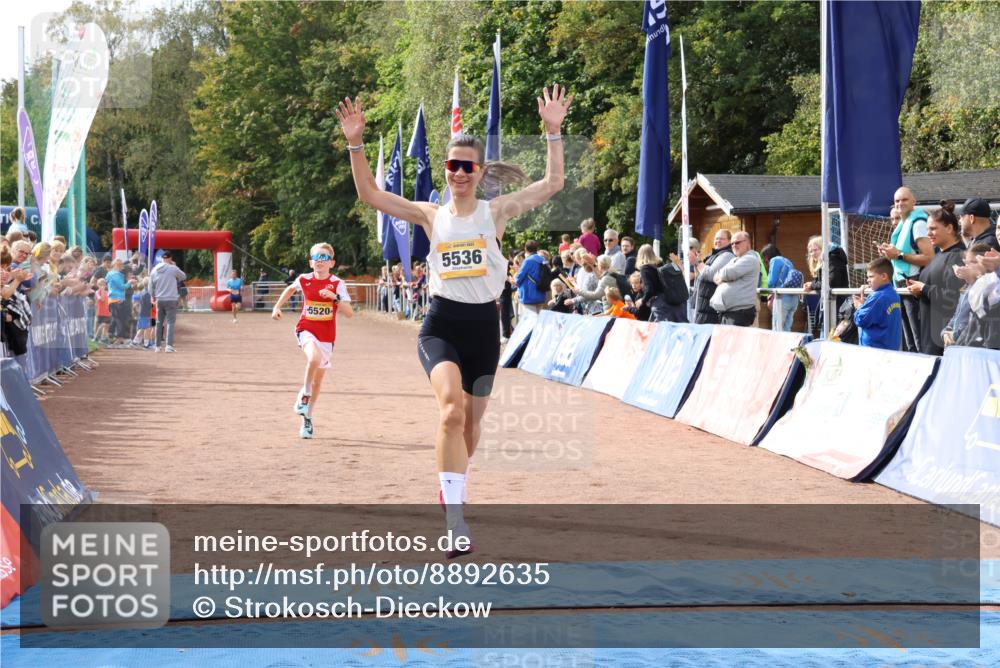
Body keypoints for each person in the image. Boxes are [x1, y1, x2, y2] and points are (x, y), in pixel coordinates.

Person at [336, 84, 571, 555]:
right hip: (441, 324)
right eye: (452, 165)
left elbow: (553, 185)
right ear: (445, 170)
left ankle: (451, 487)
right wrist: (355, 143)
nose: (459, 173)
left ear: (479, 172)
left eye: (467, 166)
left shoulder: (496, 212)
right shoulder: (428, 214)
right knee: (450, 411)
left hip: (485, 328)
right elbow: (369, 193)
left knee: (470, 426)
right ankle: (457, 519)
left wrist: (553, 132)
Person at [271, 242, 354, 439]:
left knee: (318, 382)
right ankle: (304, 394)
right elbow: (290, 289)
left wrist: (334, 298)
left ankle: (307, 417)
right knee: (313, 358)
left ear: (331, 263)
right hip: (305, 329)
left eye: (324, 257)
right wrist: (277, 307)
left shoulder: (337, 284)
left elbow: (349, 313)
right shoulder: (304, 279)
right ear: (310, 262)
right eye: (316, 257)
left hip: (327, 337)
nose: (319, 260)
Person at [905, 201, 967, 356]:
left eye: (933, 229)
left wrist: (924, 288)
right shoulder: (939, 255)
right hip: (930, 332)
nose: (929, 233)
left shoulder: (957, 256)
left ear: (949, 228)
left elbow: (954, 299)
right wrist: (919, 292)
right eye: (927, 229)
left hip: (944, 338)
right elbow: (934, 290)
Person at [878, 187, 933, 352]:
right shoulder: (904, 223)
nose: (900, 204)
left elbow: (929, 257)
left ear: (914, 201)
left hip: (913, 286)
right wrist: (890, 254)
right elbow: (901, 255)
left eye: (904, 200)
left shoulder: (918, 223)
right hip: (901, 285)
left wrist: (899, 255)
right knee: (909, 341)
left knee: (918, 340)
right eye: (897, 201)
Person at [944, 243, 992, 348]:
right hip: (958, 345)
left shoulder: (988, 288)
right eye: (966, 263)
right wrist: (946, 332)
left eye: (974, 262)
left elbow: (976, 321)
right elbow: (956, 316)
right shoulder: (966, 288)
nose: (968, 267)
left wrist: (955, 336)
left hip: (973, 347)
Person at [710, 231, 761, 327]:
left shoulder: (750, 259)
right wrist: (725, 277)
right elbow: (715, 277)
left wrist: (724, 277)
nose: (734, 245)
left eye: (737, 242)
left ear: (748, 243)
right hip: (729, 312)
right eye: (732, 243)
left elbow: (726, 273)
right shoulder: (734, 259)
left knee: (734, 342)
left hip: (739, 313)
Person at [803, 235, 849, 338]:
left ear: (823, 248)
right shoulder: (827, 259)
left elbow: (831, 282)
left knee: (830, 337)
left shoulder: (832, 258)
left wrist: (812, 285)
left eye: (815, 250)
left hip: (837, 306)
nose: (813, 254)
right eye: (811, 251)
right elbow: (823, 281)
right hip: (831, 305)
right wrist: (812, 284)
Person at [851, 258, 902, 351]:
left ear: (883, 276)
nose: (868, 280)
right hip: (889, 349)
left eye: (871, 277)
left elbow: (860, 320)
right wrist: (865, 304)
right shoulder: (893, 294)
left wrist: (859, 306)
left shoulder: (878, 297)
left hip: (875, 351)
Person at [690, 229, 734, 324]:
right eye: (716, 238)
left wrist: (697, 262)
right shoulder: (714, 255)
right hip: (703, 305)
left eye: (721, 239)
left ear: (729, 241)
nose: (718, 241)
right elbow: (700, 276)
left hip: (711, 307)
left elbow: (711, 274)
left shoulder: (727, 255)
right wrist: (696, 263)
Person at [149, 251, 187, 352]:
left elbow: (150, 286)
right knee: (170, 322)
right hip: (171, 299)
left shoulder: (154, 270)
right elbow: (183, 276)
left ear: (162, 258)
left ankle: (157, 346)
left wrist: (153, 296)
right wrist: (175, 266)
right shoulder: (173, 268)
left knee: (158, 322)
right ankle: (169, 346)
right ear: (170, 259)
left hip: (159, 299)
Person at [761, 244, 803, 332]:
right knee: (787, 329)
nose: (765, 261)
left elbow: (771, 281)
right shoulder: (788, 261)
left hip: (782, 299)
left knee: (777, 329)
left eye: (764, 258)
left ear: (767, 255)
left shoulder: (774, 260)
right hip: (794, 298)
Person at [634, 244, 673, 323]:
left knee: (659, 327)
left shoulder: (645, 269)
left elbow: (649, 289)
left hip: (657, 302)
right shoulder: (659, 265)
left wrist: (642, 300)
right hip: (667, 300)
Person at [515, 240, 548, 314]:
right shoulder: (543, 260)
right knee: (539, 321)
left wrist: (513, 280)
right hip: (541, 294)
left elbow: (519, 278)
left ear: (526, 249)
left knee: (531, 323)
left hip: (528, 296)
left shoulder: (528, 261)